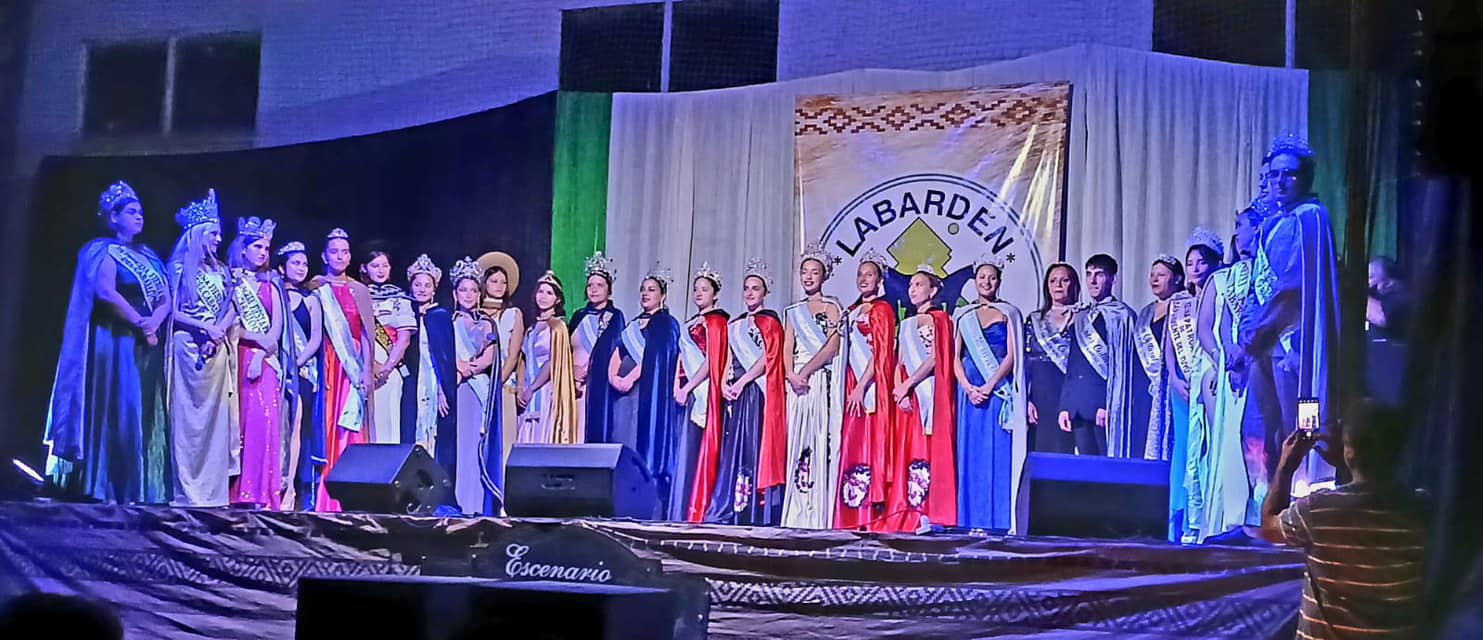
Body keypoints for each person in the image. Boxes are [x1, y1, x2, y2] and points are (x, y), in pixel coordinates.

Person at [44, 180, 172, 504]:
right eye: (131, 211)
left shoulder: (149, 255)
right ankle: (109, 485)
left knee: (143, 412)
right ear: (114, 217)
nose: (139, 216)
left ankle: (141, 488)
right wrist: (140, 322)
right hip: (116, 341)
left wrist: (155, 321)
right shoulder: (101, 249)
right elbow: (105, 292)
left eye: (140, 212)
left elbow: (165, 297)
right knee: (119, 409)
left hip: (146, 344)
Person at [1261, 399, 1427, 638]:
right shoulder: (1422, 509)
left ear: (1348, 451)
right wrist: (1350, 461)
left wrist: (1286, 468)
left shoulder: (1316, 511)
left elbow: (1269, 527)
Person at [1234, 132, 1341, 496]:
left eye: (1288, 174)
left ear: (1304, 177)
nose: (1279, 182)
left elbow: (1292, 287)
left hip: (1294, 344)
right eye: (1273, 175)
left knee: (1299, 424)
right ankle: (1268, 502)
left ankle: (1301, 499)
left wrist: (1257, 333)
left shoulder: (1310, 218)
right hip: (1264, 343)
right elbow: (1257, 286)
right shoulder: (1272, 223)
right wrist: (1248, 331)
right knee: (1263, 426)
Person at [1202, 200, 1275, 536]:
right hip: (1233, 370)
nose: (1236, 235)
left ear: (1257, 229)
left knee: (1258, 441)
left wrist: (1248, 353)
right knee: (1231, 442)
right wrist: (1227, 354)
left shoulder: (1270, 274)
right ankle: (1230, 518)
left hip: (1262, 367)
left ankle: (1262, 515)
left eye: (1241, 227)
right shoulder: (1225, 277)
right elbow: (1217, 326)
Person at [704, 259, 788, 526]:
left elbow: (769, 358)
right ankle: (736, 503)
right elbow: (728, 358)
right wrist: (724, 384)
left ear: (765, 293)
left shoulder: (770, 321)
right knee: (736, 447)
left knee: (753, 446)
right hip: (737, 393)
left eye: (755, 288)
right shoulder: (735, 325)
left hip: (757, 392)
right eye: (746, 288)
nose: (750, 293)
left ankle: (755, 507)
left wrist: (743, 382)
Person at [167, 189, 236, 507]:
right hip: (187, 350)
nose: (218, 239)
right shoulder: (179, 268)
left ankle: (211, 492)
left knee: (214, 422)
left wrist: (218, 330)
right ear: (197, 234)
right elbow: (172, 312)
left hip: (216, 351)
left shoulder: (222, 270)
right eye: (213, 233)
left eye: (219, 234)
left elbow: (232, 306)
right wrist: (204, 328)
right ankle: (186, 491)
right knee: (187, 423)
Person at [954, 257, 1028, 533]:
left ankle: (997, 521)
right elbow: (955, 357)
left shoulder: (1009, 312)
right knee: (971, 455)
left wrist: (989, 385)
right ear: (975, 281)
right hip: (969, 394)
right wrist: (967, 386)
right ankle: (970, 520)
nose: (986, 282)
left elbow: (1012, 355)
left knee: (996, 454)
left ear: (999, 281)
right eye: (982, 277)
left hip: (997, 392)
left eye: (992, 277)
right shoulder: (963, 315)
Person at [882, 265, 957, 532]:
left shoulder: (941, 320)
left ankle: (928, 510)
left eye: (919, 285)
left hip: (929, 392)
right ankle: (907, 508)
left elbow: (937, 357)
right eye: (911, 285)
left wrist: (908, 384)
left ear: (933, 291)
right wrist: (898, 390)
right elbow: (899, 360)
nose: (913, 290)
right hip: (909, 397)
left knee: (928, 448)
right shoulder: (906, 324)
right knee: (908, 448)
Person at [607, 266, 683, 519]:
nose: (645, 294)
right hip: (623, 396)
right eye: (643, 289)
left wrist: (629, 378)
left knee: (642, 448)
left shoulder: (666, 324)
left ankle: (646, 507)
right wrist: (613, 377)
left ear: (663, 295)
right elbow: (618, 351)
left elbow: (655, 358)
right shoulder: (632, 325)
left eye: (651, 289)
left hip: (644, 395)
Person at [227, 216, 293, 509]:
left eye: (266, 248)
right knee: (239, 422)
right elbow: (231, 326)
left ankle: (261, 492)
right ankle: (237, 491)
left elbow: (276, 328)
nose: (263, 253)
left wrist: (262, 353)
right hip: (239, 356)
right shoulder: (232, 281)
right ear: (243, 248)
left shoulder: (272, 284)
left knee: (264, 421)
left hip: (265, 361)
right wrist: (256, 342)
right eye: (257, 247)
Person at [779, 243, 845, 529]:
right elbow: (787, 346)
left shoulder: (832, 308)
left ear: (823, 276)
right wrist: (790, 374)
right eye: (804, 271)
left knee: (818, 441)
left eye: (814, 272)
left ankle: (817, 513)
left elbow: (832, 346)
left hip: (818, 379)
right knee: (797, 442)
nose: (808, 277)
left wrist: (805, 371)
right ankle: (796, 510)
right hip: (796, 383)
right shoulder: (792, 311)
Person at [312, 228, 376, 512]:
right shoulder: (316, 286)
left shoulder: (360, 290)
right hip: (326, 363)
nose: (340, 256)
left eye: (345, 252)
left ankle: (353, 491)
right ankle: (322, 494)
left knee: (351, 424)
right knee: (326, 422)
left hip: (352, 365)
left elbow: (367, 333)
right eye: (334, 251)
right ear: (324, 255)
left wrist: (366, 370)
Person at [835, 251, 897, 530]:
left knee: (868, 444)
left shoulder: (882, 310)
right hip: (850, 383)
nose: (863, 279)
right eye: (860, 274)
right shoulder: (851, 310)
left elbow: (880, 353)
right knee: (851, 443)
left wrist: (861, 386)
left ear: (879, 280)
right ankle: (849, 512)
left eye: (869, 275)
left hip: (868, 388)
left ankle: (869, 515)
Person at [1167, 232, 1220, 542]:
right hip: (1182, 384)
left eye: (1201, 262)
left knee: (1208, 445)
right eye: (1190, 263)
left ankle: (1204, 517)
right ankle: (1180, 519)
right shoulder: (1179, 303)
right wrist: (1175, 379)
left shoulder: (1221, 295)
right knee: (1185, 448)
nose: (1195, 268)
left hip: (1209, 379)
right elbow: (1169, 349)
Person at [1058, 254, 1136, 457]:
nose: (1092, 281)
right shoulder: (1081, 316)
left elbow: (1122, 366)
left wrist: (1106, 403)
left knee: (1107, 465)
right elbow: (1072, 365)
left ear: (1113, 279)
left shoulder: (1121, 316)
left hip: (1104, 407)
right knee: (1085, 466)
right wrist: (1066, 405)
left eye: (1099, 275)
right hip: (1078, 406)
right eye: (1089, 274)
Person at [675, 265, 729, 522]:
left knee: (702, 450)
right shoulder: (690, 323)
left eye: (704, 289)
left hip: (704, 393)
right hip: (687, 393)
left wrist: (688, 387)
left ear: (715, 294)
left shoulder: (717, 322)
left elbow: (712, 362)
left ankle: (701, 507)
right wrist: (677, 386)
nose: (698, 293)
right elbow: (681, 359)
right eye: (696, 289)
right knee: (688, 452)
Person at [447, 257, 501, 514]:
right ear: (455, 294)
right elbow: (444, 354)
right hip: (458, 389)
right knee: (460, 445)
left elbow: (490, 357)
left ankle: (478, 504)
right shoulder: (448, 323)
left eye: (473, 290)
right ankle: (459, 503)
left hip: (479, 388)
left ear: (479, 294)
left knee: (477, 445)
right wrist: (459, 367)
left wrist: (468, 369)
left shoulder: (488, 323)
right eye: (463, 290)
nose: (468, 295)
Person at [403, 255, 458, 490]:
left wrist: (443, 390)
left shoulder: (441, 317)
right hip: (411, 383)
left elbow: (445, 359)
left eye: (427, 285)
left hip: (434, 384)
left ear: (435, 289)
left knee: (432, 430)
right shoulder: (406, 315)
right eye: (417, 284)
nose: (422, 289)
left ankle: (432, 486)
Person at [277, 241, 323, 510]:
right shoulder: (272, 294)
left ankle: (292, 489)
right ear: (282, 267)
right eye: (295, 263)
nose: (301, 268)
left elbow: (315, 338)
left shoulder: (311, 300)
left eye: (304, 264)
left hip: (301, 372)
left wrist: (296, 363)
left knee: (297, 429)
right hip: (273, 368)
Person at [516, 271, 579, 444]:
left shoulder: (558, 327)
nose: (543, 296)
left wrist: (532, 388)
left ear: (557, 299)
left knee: (543, 433)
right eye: (540, 291)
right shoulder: (531, 328)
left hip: (545, 390)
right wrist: (521, 388)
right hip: (528, 390)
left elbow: (553, 361)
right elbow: (523, 359)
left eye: (549, 293)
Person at [570, 252, 626, 443]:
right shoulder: (578, 316)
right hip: (571, 381)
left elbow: (612, 350)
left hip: (595, 383)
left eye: (599, 285)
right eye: (590, 285)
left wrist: (586, 370)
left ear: (609, 290)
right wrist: (572, 370)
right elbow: (565, 349)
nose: (593, 289)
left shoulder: (615, 317)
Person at [362, 251, 416, 445]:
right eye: (375, 266)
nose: (380, 270)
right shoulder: (357, 295)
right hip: (362, 369)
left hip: (389, 371)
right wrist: (369, 365)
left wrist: (385, 369)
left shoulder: (400, 299)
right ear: (364, 268)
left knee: (389, 424)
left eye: (384, 265)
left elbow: (404, 339)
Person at [1026, 263, 1079, 454]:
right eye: (1053, 281)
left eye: (1064, 280)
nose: (1058, 285)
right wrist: (1026, 400)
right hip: (1041, 394)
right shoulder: (1034, 320)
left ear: (1074, 285)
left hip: (1072, 391)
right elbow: (1025, 363)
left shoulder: (1083, 317)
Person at [1135, 255, 1184, 462]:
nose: (1154, 279)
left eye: (1161, 275)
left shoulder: (1184, 306)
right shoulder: (1146, 312)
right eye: (1152, 275)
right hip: (1145, 387)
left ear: (1178, 278)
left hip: (1171, 384)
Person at [478, 252, 524, 462]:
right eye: (494, 281)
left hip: (503, 384)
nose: (499, 286)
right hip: (476, 383)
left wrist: (497, 382)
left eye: (503, 282)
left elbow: (514, 354)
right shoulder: (474, 313)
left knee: (504, 438)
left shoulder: (513, 314)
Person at [1365, 257, 1410, 408]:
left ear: (1390, 282)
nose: (1367, 283)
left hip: (1395, 389)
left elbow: (1381, 317)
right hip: (1375, 389)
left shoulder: (1402, 299)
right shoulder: (1376, 300)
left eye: (1371, 277)